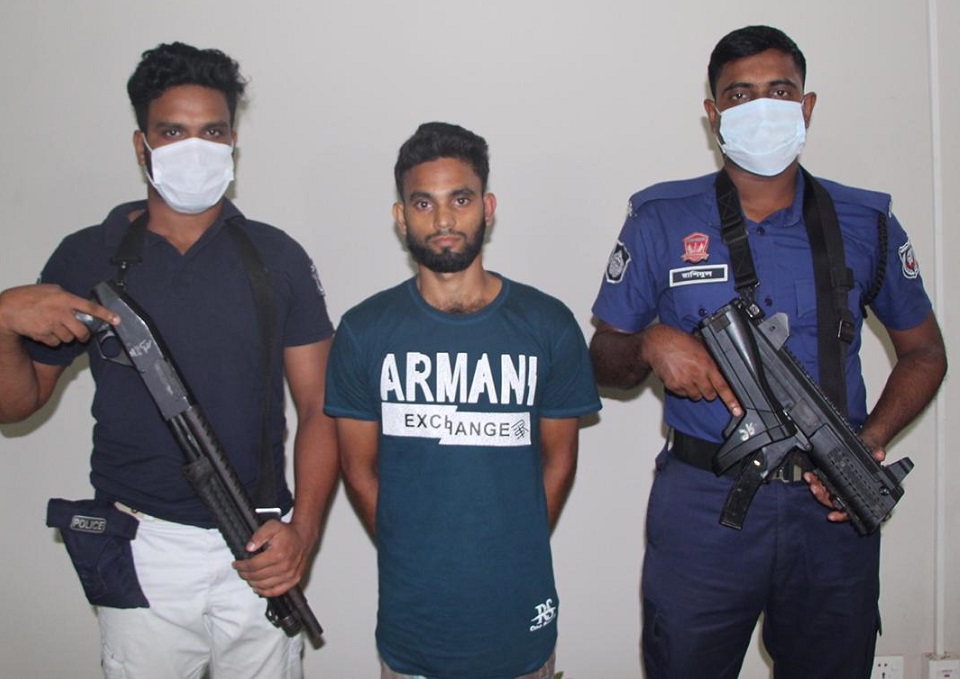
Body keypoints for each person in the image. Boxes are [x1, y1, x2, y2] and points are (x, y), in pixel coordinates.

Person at [589, 25, 947, 679]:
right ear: (714, 114)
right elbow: (601, 358)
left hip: (831, 507)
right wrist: (648, 342)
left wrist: (869, 442)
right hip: (704, 504)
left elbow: (925, 352)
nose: (761, 108)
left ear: (806, 106)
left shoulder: (867, 221)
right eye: (740, 94)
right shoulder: (660, 218)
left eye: (779, 91)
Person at [0, 42, 338, 678]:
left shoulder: (276, 257)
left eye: (212, 132)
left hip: (259, 541)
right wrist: (2, 323)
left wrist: (302, 530)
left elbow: (320, 407)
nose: (194, 148)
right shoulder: (87, 256)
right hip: (140, 544)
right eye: (172, 132)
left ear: (233, 143)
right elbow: (15, 404)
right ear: (141, 145)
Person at [325, 122, 601, 679]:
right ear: (401, 216)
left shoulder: (548, 325)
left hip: (517, 617)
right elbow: (357, 469)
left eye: (461, 199)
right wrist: (414, 550)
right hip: (414, 623)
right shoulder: (363, 331)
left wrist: (513, 543)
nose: (444, 220)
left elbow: (560, 461)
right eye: (423, 203)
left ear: (487, 208)